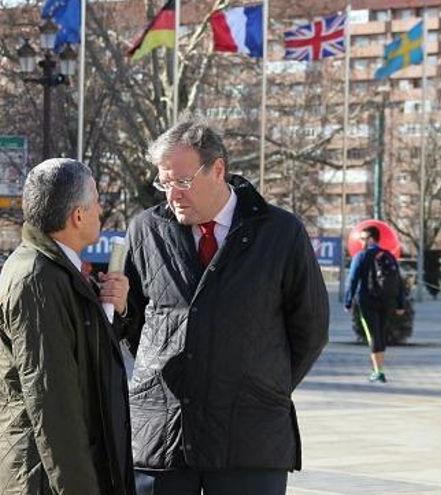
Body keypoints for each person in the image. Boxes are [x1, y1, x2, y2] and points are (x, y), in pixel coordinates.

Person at [122, 118, 330, 494]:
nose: (173, 195)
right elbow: (134, 321)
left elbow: (310, 328)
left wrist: (261, 382)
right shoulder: (145, 230)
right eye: (164, 183)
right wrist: (173, 367)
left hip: (250, 437)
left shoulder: (280, 232)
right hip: (164, 434)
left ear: (218, 170)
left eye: (182, 182)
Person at [0, 158, 136, 495]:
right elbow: (54, 407)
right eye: (96, 200)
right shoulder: (38, 278)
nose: (101, 208)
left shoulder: (58, 271)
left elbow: (87, 360)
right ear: (77, 216)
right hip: (46, 480)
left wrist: (114, 309)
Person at [344, 226, 405, 383]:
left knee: (373, 335)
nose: (361, 242)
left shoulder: (361, 256)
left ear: (371, 239)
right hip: (386, 302)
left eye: (364, 239)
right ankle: (378, 368)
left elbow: (352, 280)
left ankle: (378, 372)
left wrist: (348, 302)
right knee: (381, 333)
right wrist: (400, 304)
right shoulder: (389, 256)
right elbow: (398, 280)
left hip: (367, 301)